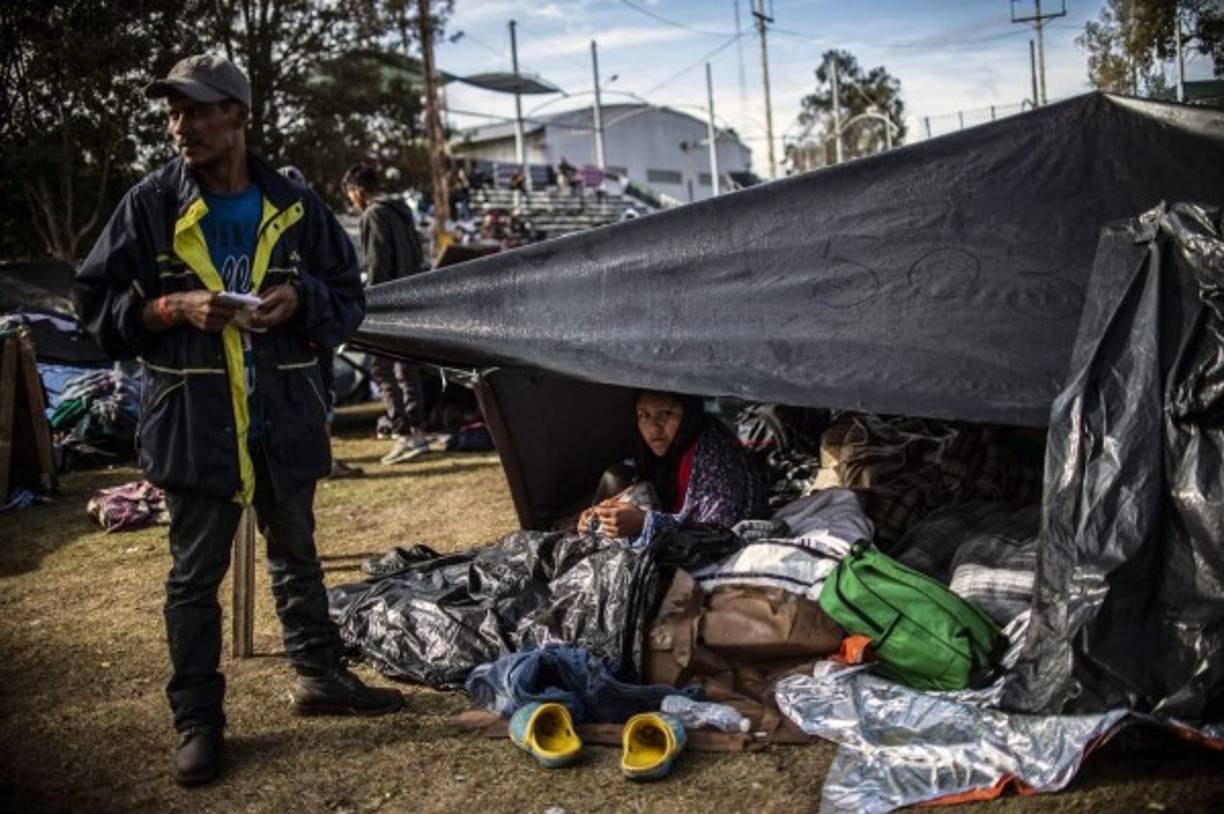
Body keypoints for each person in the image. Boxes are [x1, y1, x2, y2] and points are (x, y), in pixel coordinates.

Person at [75, 54, 404, 789]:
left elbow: (348, 297)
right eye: (174, 113)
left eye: (195, 109)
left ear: (238, 116)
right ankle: (198, 722)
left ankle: (320, 677)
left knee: (297, 555)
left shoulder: (294, 200)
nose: (179, 125)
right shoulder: (150, 203)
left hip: (282, 414)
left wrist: (302, 300)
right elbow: (94, 307)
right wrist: (168, 309)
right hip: (193, 422)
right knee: (195, 579)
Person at [578, 391, 766, 540]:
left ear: (688, 413)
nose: (653, 428)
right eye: (644, 415)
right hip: (672, 520)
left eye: (666, 414)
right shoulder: (668, 449)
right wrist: (600, 515)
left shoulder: (715, 457)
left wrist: (646, 522)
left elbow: (718, 534)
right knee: (615, 477)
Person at [341, 162, 432, 464]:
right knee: (407, 368)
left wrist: (371, 304)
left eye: (351, 194)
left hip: (388, 305)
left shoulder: (374, 214)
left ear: (358, 191)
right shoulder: (402, 213)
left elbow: (378, 264)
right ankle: (417, 431)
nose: (352, 201)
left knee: (383, 369)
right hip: (413, 299)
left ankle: (404, 433)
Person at [278, 164, 362, 479]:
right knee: (313, 394)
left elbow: (338, 279)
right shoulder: (275, 233)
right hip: (297, 334)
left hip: (314, 327)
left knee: (322, 393)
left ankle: (323, 456)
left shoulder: (315, 228)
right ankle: (318, 457)